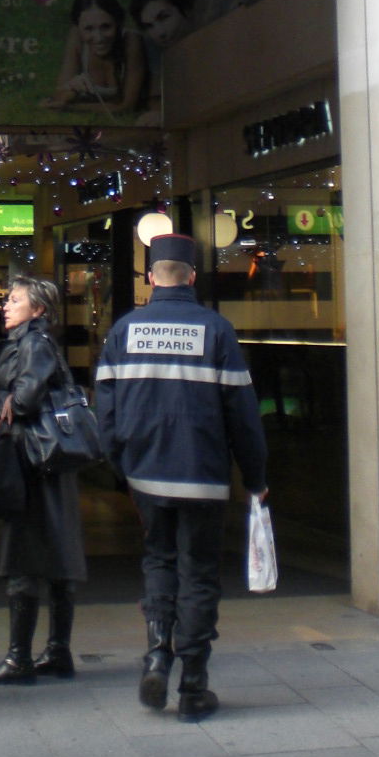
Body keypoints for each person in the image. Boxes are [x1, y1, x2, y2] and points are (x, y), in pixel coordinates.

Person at [95, 233, 267, 721]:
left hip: (147, 474)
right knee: (199, 572)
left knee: (159, 562)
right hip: (203, 476)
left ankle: (155, 655)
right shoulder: (217, 331)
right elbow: (243, 416)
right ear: (192, 276)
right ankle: (193, 683)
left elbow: (104, 412)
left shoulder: (124, 331)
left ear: (150, 278)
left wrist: (120, 467)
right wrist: (255, 476)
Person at [0, 277, 87, 685]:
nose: (6, 306)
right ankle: (57, 651)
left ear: (38, 310)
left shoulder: (33, 344)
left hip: (33, 462)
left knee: (24, 555)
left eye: (15, 300)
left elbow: (22, 401)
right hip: (48, 463)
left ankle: (19, 658)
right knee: (58, 555)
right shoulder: (35, 342)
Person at [45, 0, 146, 112]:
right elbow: (59, 95)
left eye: (106, 27)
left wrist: (72, 108)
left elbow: (127, 106)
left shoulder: (131, 41)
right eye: (88, 29)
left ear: (118, 22)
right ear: (79, 27)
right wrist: (71, 90)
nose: (99, 38)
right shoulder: (76, 37)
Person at [129, 0, 193, 126]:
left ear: (186, 8)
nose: (160, 32)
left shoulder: (213, 39)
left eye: (164, 17)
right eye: (149, 26)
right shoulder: (154, 46)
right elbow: (156, 99)